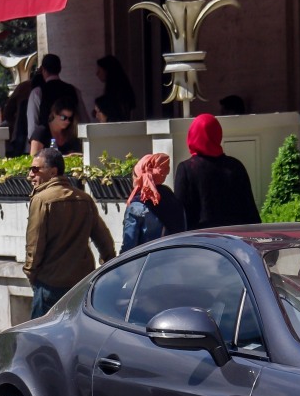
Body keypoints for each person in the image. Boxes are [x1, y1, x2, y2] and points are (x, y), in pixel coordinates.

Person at [23, 147, 115, 319]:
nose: (30, 175)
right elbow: (104, 240)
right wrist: (107, 265)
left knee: (40, 338)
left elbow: (34, 244)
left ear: (53, 171)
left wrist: (31, 273)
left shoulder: (41, 200)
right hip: (81, 282)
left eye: (35, 169)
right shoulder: (84, 199)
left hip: (50, 284)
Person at [173, 113, 262, 230]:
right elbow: (250, 213)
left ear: (193, 135)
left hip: (202, 241)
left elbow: (179, 216)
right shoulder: (235, 166)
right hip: (234, 240)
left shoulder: (187, 169)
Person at [121, 152, 185, 253]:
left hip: (146, 263)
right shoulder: (171, 197)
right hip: (174, 258)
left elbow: (129, 245)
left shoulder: (136, 206)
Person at [26, 54, 85, 142]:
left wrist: (35, 143)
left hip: (46, 144)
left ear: (43, 70)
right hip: (71, 143)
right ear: (60, 69)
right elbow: (83, 118)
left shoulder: (37, 93)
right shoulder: (74, 90)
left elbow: (32, 125)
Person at [95, 55, 136, 122]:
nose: (97, 73)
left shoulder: (116, 94)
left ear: (107, 71)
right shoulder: (122, 88)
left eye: (99, 70)